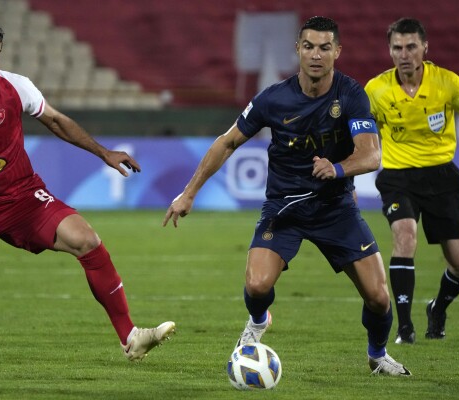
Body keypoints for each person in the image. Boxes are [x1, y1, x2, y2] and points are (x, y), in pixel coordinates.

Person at [163, 16, 410, 376]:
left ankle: (377, 355)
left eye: (325, 47)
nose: (316, 55)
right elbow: (228, 141)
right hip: (285, 208)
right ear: (297, 50)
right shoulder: (273, 99)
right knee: (257, 284)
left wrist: (337, 169)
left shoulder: (351, 94)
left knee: (378, 297)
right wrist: (188, 193)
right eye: (308, 46)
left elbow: (372, 154)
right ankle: (258, 320)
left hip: (335, 208)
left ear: (337, 52)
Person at [0, 20, 175, 361]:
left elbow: (57, 121)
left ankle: (131, 338)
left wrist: (103, 152)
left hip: (20, 196)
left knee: (86, 240)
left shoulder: (15, 87)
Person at [365, 18, 459, 344]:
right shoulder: (376, 90)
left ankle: (438, 308)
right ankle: (404, 327)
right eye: (397, 47)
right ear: (389, 50)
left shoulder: (448, 83)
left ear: (425, 47)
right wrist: (346, 179)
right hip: (397, 176)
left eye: (411, 46)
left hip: (442, 177)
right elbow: (359, 134)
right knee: (405, 236)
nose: (404, 54)